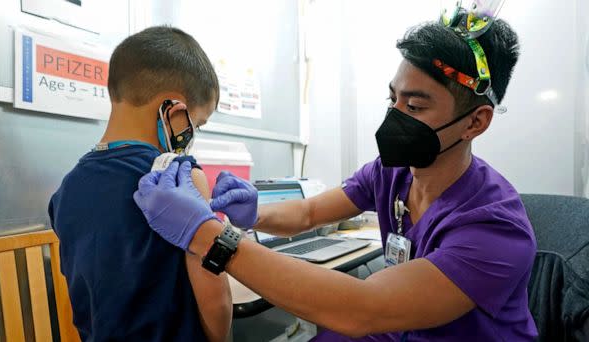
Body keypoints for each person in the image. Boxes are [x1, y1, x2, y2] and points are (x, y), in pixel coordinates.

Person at [134, 17, 538, 342]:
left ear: (475, 122)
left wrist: (206, 236)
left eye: (414, 105)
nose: (394, 116)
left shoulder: (496, 228)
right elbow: (310, 210)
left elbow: (363, 308)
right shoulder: (391, 173)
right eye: (392, 98)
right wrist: (254, 213)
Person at [48, 26, 232, 342]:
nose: (191, 136)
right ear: (171, 110)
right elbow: (217, 305)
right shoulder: (181, 178)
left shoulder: (65, 190)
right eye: (195, 124)